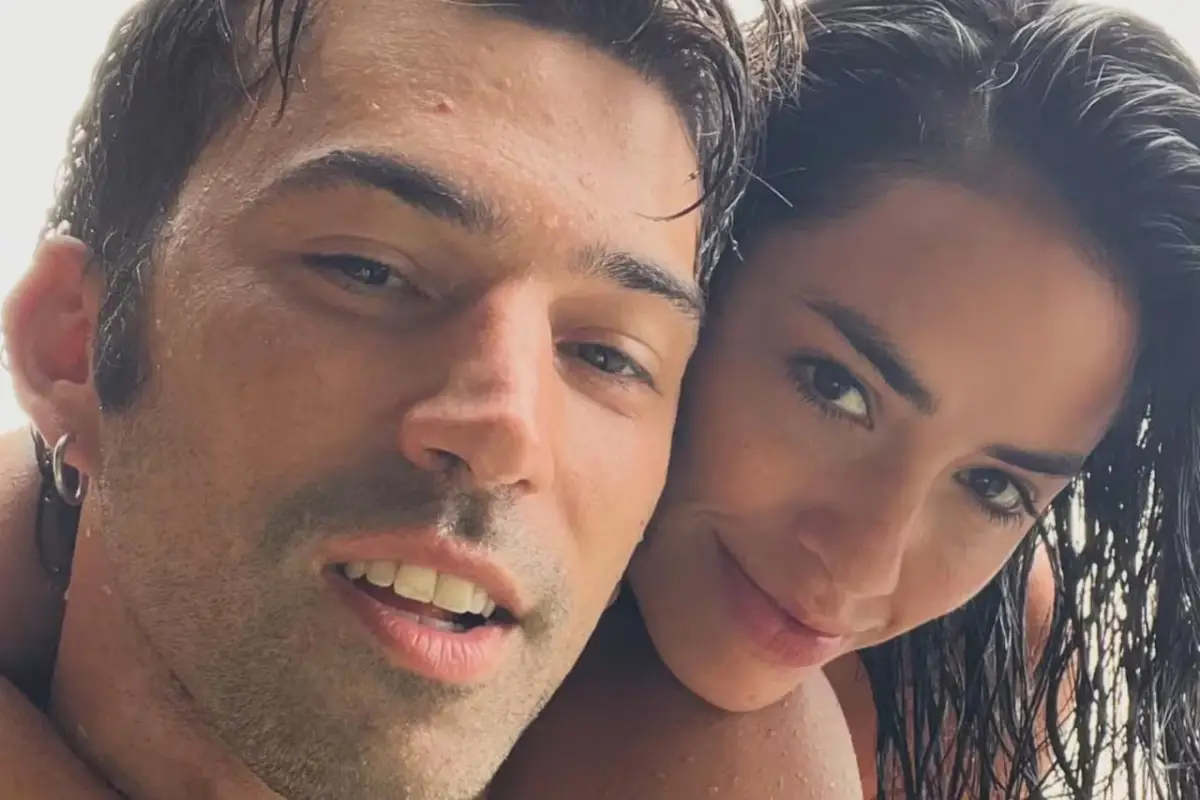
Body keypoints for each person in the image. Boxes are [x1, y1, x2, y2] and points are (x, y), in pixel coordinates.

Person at [5, 0, 1200, 797]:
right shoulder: (77, 505)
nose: (861, 561)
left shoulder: (981, 660)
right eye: (835, 387)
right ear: (705, 270)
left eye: (994, 483)